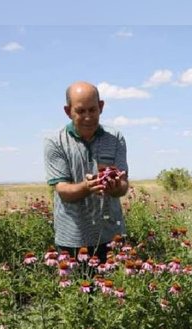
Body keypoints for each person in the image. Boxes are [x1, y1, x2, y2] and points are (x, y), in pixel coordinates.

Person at [44, 81, 129, 263]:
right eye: (81, 111)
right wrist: (88, 186)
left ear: (101, 107)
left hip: (111, 237)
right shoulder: (55, 142)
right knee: (74, 290)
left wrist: (114, 186)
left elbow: (123, 186)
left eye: (93, 110)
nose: (88, 116)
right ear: (68, 111)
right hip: (72, 240)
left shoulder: (115, 138)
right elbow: (63, 190)